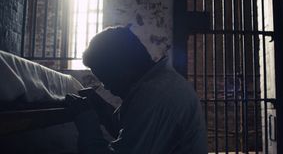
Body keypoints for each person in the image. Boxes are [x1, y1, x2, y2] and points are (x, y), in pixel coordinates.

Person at [65, 25, 208, 154]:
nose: (107, 87)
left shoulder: (153, 95)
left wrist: (87, 125)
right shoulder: (163, 83)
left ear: (122, 68)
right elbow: (135, 132)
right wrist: (102, 110)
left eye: (106, 79)